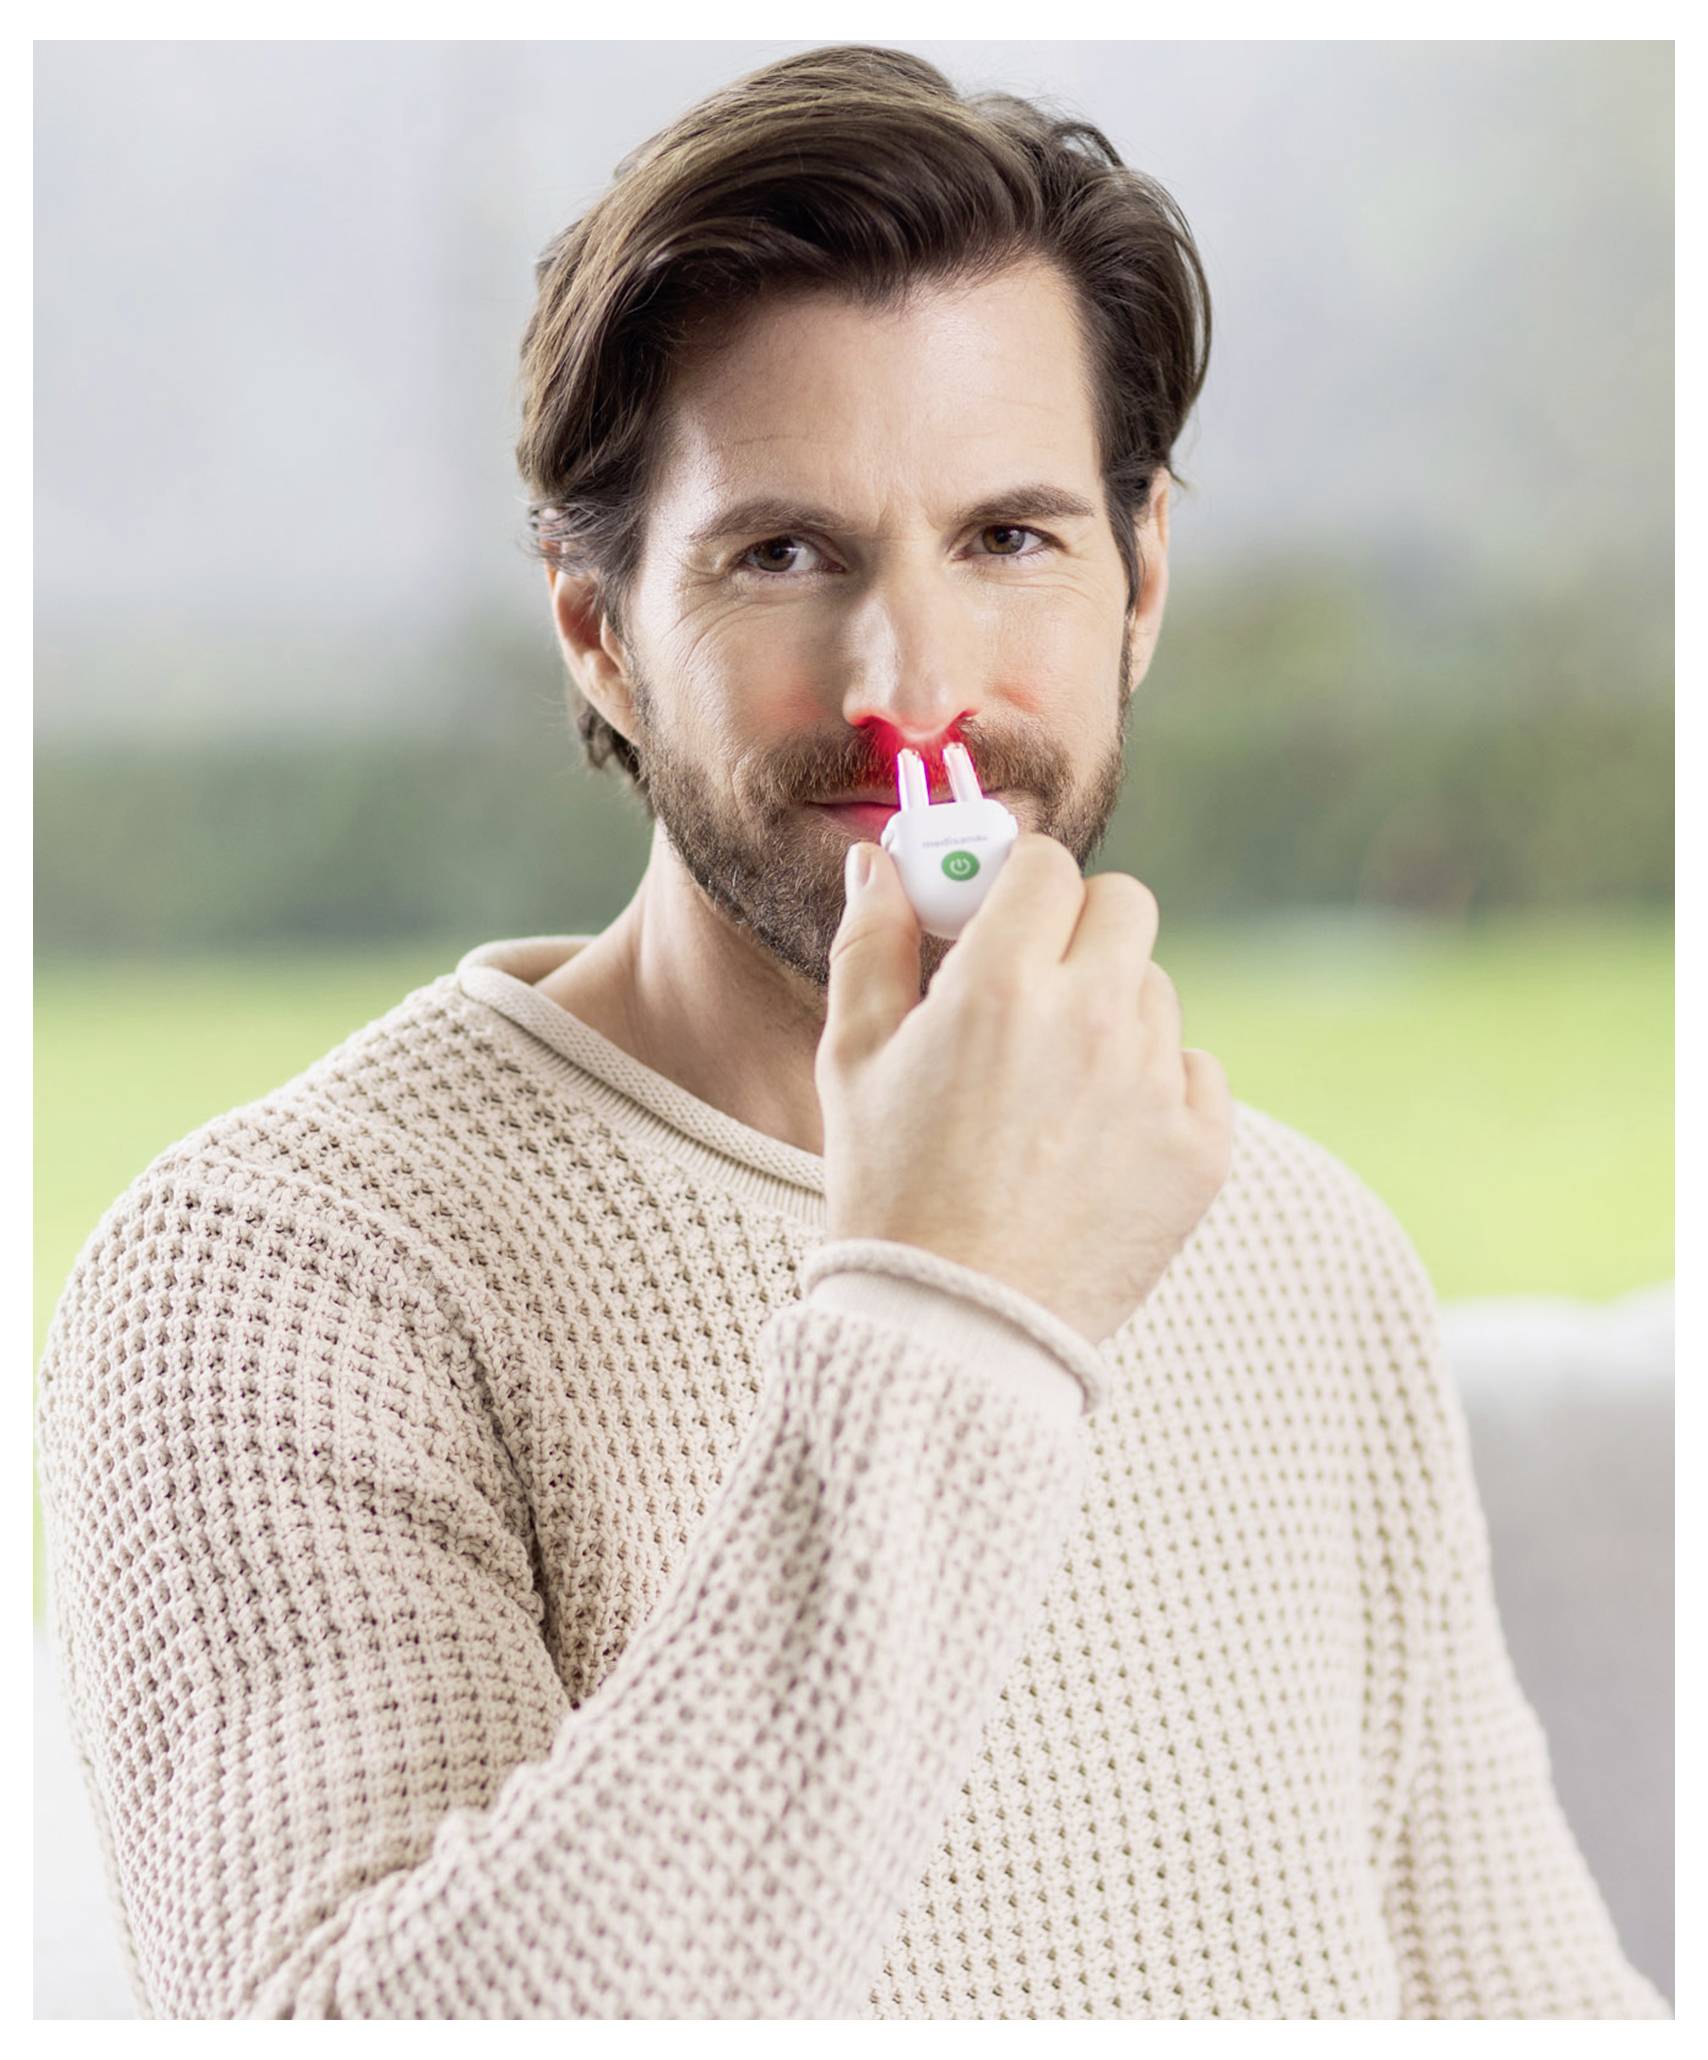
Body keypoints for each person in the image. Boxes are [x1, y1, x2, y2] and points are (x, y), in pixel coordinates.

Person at [34, 44, 1668, 2021]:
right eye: (783, 553)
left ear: (1137, 583)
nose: (914, 685)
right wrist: (949, 1305)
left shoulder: (1306, 1254)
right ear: (598, 628)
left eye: (1007, 539)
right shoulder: (270, 1278)